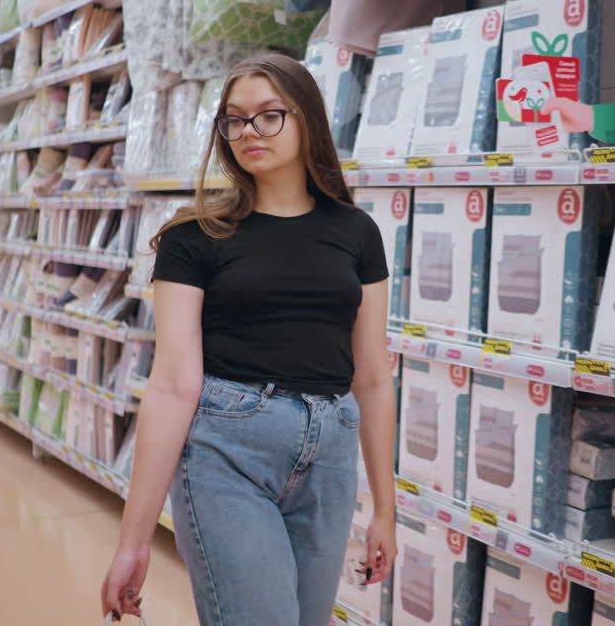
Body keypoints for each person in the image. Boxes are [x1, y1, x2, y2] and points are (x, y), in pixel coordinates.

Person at [101, 53, 398, 625]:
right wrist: (133, 543)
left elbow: (374, 376)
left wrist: (385, 509)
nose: (247, 132)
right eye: (234, 120)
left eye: (268, 115)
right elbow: (170, 386)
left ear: (307, 118)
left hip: (331, 454)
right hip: (226, 451)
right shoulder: (194, 235)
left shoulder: (356, 232)